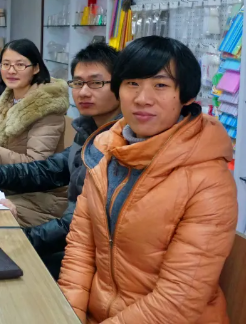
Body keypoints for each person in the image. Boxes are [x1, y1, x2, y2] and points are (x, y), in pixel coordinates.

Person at [58, 36, 237, 323]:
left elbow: (177, 301)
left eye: (161, 85)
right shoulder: (104, 153)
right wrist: (68, 315)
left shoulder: (209, 181)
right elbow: (80, 249)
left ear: (187, 97)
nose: (142, 98)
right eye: (132, 83)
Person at [0, 43, 121, 278]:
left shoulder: (122, 140)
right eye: (78, 83)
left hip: (90, 254)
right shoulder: (89, 129)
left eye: (96, 83)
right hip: (69, 235)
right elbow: (50, 168)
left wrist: (24, 239)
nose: (84, 92)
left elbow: (82, 222)